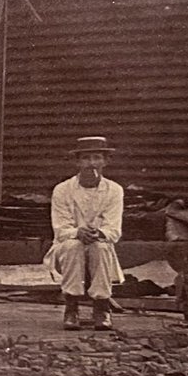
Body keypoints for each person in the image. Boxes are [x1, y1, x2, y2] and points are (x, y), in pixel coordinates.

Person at [45, 136, 124, 331]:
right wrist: (77, 232)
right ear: (77, 162)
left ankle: (102, 308)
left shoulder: (114, 190)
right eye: (86, 158)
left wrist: (98, 232)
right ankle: (71, 308)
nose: (91, 164)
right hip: (67, 247)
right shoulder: (62, 190)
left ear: (106, 161)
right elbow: (61, 230)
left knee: (101, 247)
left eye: (97, 157)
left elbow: (114, 230)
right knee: (73, 245)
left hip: (99, 245)